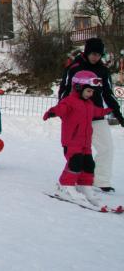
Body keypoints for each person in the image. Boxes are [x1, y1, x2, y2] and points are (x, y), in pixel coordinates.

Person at [58, 37, 124, 192]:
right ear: (87, 52)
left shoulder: (103, 70)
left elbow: (108, 94)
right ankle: (71, 180)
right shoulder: (74, 67)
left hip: (97, 114)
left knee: (107, 148)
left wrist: (118, 114)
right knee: (77, 151)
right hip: (77, 117)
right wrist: (63, 110)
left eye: (99, 54)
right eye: (93, 53)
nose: (96, 57)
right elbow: (65, 90)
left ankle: (101, 181)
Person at [44, 71, 112, 206]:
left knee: (88, 164)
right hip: (72, 141)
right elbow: (61, 108)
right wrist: (52, 112)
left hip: (85, 142)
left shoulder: (89, 104)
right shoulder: (69, 101)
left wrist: (108, 110)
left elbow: (97, 112)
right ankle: (65, 186)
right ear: (78, 87)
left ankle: (84, 186)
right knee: (75, 162)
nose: (90, 94)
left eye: (92, 92)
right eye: (88, 91)